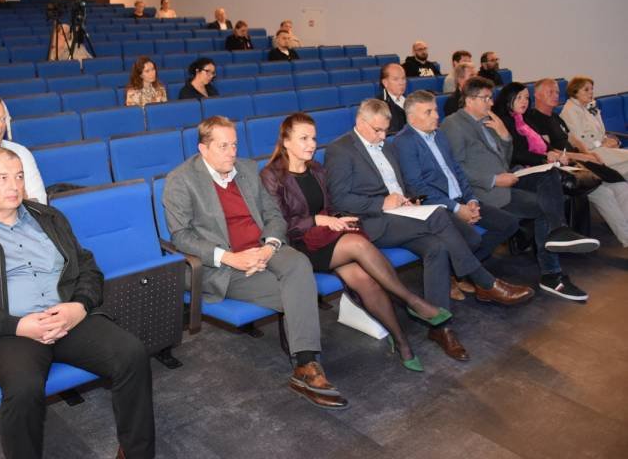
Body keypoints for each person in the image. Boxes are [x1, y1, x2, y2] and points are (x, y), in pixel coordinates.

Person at [0, 146, 153, 459]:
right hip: (9, 330)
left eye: (19, 177)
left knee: (132, 354)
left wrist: (79, 306)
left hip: (67, 316)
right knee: (23, 388)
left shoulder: (48, 217)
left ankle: (135, 453)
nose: (14, 185)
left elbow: (89, 269)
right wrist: (18, 325)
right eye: (2, 178)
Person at [325, 99, 534, 362]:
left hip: (403, 215)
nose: (382, 137)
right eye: (377, 130)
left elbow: (400, 184)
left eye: (385, 131)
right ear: (360, 122)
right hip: (373, 222)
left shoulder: (385, 145)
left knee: (437, 248)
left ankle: (440, 328)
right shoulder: (340, 150)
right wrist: (382, 203)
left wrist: (409, 199)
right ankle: (484, 281)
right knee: (440, 216)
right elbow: (340, 199)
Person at [164, 116, 349, 409]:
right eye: (223, 146)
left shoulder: (248, 169)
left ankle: (304, 366)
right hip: (225, 264)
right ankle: (307, 366)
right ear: (203, 148)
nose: (231, 153)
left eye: (234, 145)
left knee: (299, 264)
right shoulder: (181, 180)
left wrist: (269, 246)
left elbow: (274, 216)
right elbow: (181, 236)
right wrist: (231, 258)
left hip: (264, 248)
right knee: (299, 293)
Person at [261, 112, 450, 372]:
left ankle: (402, 342)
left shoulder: (316, 169)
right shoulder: (271, 176)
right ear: (285, 141)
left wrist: (339, 218)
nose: (311, 144)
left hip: (326, 239)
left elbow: (331, 207)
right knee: (358, 245)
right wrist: (317, 220)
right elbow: (277, 224)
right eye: (303, 138)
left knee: (365, 280)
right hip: (297, 246)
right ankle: (412, 301)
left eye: (313, 138)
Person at [441, 77, 599, 302]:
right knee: (545, 208)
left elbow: (504, 159)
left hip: (505, 180)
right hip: (483, 191)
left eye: (491, 97)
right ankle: (552, 274)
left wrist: (505, 136)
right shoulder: (453, 124)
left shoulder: (488, 121)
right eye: (485, 98)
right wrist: (493, 180)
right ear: (469, 100)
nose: (491, 102)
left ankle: (558, 232)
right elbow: (455, 167)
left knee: (550, 173)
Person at [391, 90, 521, 300]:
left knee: (509, 223)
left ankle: (456, 272)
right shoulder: (404, 142)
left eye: (435, 110)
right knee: (472, 239)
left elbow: (457, 171)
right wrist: (456, 208)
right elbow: (417, 187)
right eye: (429, 112)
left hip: (460, 198)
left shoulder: (439, 135)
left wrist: (471, 199)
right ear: (412, 118)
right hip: (437, 206)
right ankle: (476, 280)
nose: (436, 115)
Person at [527, 78, 628, 247]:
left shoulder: (555, 117)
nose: (555, 95)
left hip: (581, 163)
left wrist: (587, 153)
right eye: (550, 92)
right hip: (565, 168)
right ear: (536, 95)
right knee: (605, 194)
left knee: (620, 186)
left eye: (557, 92)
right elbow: (549, 151)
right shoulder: (533, 119)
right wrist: (584, 157)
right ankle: (626, 238)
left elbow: (571, 138)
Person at [559, 76, 628, 178]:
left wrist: (609, 140)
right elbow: (582, 141)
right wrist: (602, 144)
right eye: (586, 89)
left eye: (592, 89)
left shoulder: (587, 107)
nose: (591, 92)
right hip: (590, 153)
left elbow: (599, 132)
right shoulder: (570, 111)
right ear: (575, 92)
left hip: (599, 149)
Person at [376, 63, 407, 134]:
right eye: (396, 79)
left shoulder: (411, 100)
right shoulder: (379, 105)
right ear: (385, 83)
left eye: (403, 78)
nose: (401, 83)